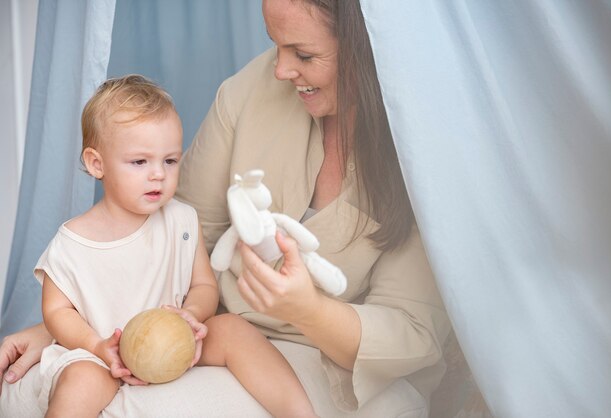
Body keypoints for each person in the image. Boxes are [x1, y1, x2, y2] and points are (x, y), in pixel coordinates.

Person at [0, 0, 451, 416]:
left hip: (329, 356)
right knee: (21, 392)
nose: (279, 70)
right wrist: (76, 331)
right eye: (275, 45)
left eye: (304, 54)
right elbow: (174, 243)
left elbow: (414, 333)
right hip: (201, 329)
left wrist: (307, 309)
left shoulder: (425, 148)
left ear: (366, 48)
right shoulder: (249, 91)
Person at [28, 74, 316, 418]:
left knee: (234, 329)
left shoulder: (181, 220)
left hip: (175, 343)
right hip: (104, 354)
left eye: (170, 160)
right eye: (140, 162)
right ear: (96, 163)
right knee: (80, 380)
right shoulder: (72, 242)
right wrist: (97, 346)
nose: (158, 175)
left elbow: (203, 285)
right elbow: (57, 312)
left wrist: (191, 316)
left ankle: (300, 413)